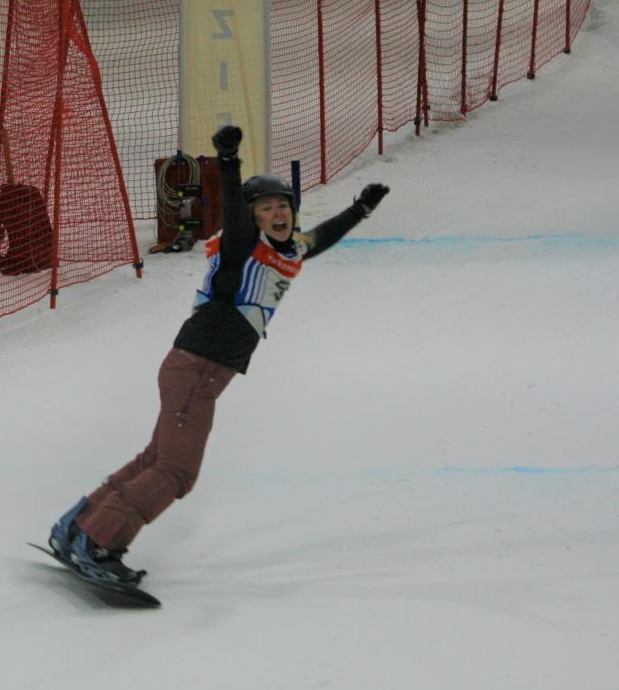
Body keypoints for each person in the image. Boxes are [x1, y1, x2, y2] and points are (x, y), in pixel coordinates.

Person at [47, 125, 390, 585]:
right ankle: (98, 543)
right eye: (267, 207)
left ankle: (77, 526)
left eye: (284, 205)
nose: (278, 213)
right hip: (198, 370)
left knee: (156, 459)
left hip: (196, 370)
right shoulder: (241, 245)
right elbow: (233, 206)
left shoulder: (287, 249)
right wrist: (228, 161)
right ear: (254, 217)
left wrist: (360, 210)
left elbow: (319, 238)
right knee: (176, 471)